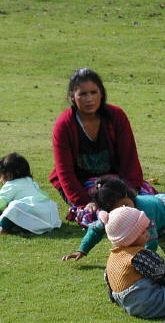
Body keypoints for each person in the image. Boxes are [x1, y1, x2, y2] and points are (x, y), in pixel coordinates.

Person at [49, 68, 156, 220]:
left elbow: (129, 157)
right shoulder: (64, 125)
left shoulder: (116, 116)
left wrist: (132, 189)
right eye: (83, 94)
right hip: (81, 183)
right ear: (72, 97)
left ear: (101, 93)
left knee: (146, 203)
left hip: (115, 179)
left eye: (93, 92)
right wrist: (84, 202)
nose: (89, 99)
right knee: (104, 210)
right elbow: (65, 172)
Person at [0, 152, 61, 235]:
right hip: (49, 218)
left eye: (1, 176)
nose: (0, 180)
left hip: (35, 215)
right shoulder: (30, 182)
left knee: (14, 207)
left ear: (9, 175)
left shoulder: (11, 185)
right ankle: (25, 227)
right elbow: (43, 195)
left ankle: (3, 229)